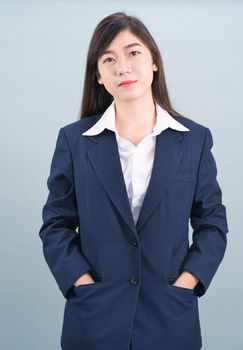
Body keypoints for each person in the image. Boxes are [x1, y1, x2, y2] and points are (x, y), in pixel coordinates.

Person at [39, 11, 229, 350]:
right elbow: (56, 224)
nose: (122, 67)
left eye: (133, 52)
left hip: (169, 319)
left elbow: (212, 223)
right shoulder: (75, 140)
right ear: (98, 75)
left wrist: (189, 281)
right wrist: (80, 283)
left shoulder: (195, 140)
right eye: (108, 58)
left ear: (154, 61)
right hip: (95, 320)